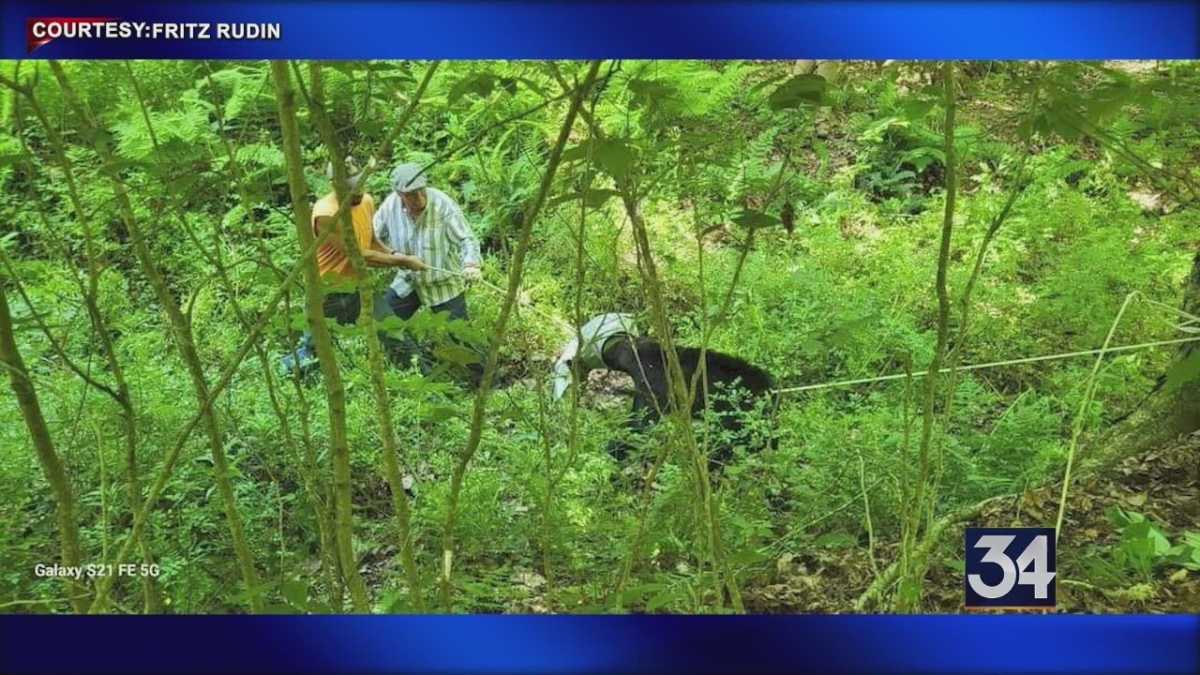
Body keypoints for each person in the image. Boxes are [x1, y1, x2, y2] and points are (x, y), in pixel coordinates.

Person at [281, 157, 425, 376]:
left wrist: (395, 254)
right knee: (314, 352)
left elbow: (371, 240)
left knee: (393, 333)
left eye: (361, 183)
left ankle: (422, 378)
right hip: (328, 292)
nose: (358, 191)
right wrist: (403, 261)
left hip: (358, 288)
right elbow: (359, 255)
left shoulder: (366, 201)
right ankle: (290, 373)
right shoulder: (326, 214)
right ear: (335, 185)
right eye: (351, 187)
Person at [373, 162, 483, 383]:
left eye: (421, 191)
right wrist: (395, 256)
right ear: (399, 194)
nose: (420, 199)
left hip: (443, 283)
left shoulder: (442, 204)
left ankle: (487, 381)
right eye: (412, 195)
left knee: (461, 337)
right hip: (408, 281)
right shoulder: (390, 206)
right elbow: (372, 237)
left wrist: (471, 264)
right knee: (385, 323)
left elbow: (467, 239)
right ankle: (419, 370)